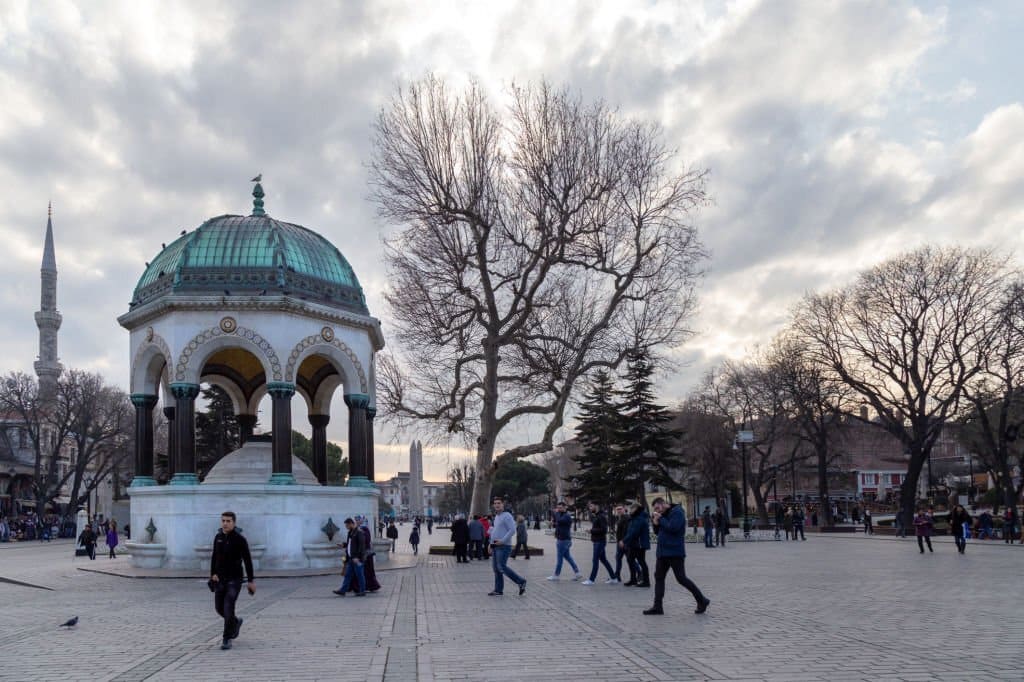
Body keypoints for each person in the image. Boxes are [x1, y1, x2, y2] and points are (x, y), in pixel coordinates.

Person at [643, 497, 709, 616]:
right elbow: (658, 532)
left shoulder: (677, 512)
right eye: (655, 509)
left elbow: (673, 528)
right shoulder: (663, 515)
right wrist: (655, 523)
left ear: (664, 504)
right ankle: (657, 607)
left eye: (658, 508)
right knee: (659, 577)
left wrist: (661, 519)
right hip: (662, 552)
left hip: (675, 552)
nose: (658, 511)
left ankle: (702, 600)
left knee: (681, 578)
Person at [210, 511, 256, 651]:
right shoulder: (218, 537)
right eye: (223, 520)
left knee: (229, 605)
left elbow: (247, 560)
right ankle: (235, 621)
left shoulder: (240, 539)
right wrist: (213, 574)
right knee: (219, 608)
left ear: (234, 523)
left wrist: (250, 580)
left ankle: (226, 638)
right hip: (220, 579)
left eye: (228, 521)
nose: (225, 523)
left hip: (234, 579)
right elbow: (214, 557)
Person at [488, 497, 527, 596]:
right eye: (495, 503)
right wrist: (490, 544)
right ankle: (498, 590)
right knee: (496, 569)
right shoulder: (496, 517)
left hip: (504, 546)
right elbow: (494, 531)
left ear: (503, 505)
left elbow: (512, 530)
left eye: (499, 503)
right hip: (495, 546)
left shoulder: (507, 516)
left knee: (501, 567)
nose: (497, 505)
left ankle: (521, 581)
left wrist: (502, 541)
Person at [582, 501, 616, 585]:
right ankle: (613, 578)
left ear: (596, 506)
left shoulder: (601, 516)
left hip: (599, 542)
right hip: (597, 541)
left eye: (591, 507)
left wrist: (591, 530)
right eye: (589, 507)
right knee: (604, 560)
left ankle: (591, 579)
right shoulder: (597, 516)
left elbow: (604, 530)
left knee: (595, 560)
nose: (590, 508)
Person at [547, 501, 581, 581]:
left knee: (559, 558)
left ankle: (556, 575)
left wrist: (555, 514)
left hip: (563, 540)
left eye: (560, 508)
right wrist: (553, 523)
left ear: (565, 507)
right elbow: (558, 524)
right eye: (558, 508)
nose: (558, 509)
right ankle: (577, 573)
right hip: (563, 539)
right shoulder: (561, 515)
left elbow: (559, 521)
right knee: (568, 557)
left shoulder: (566, 516)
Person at [334, 518, 368, 597]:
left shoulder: (359, 532)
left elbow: (362, 546)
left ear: (351, 524)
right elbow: (350, 544)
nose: (346, 527)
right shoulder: (351, 532)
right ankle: (343, 590)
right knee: (348, 575)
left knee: (360, 575)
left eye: (347, 525)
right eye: (346, 525)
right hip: (351, 558)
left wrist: (358, 557)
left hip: (357, 559)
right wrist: (343, 545)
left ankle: (362, 591)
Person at [622, 502, 651, 588]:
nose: (630, 510)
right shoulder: (635, 517)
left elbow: (634, 532)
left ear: (636, 509)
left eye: (632, 509)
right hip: (634, 544)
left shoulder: (639, 518)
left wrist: (624, 541)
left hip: (639, 544)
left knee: (641, 562)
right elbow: (630, 530)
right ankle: (633, 579)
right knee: (630, 560)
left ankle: (646, 581)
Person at [357, 517, 381, 592]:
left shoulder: (365, 530)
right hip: (363, 554)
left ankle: (371, 586)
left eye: (358, 520)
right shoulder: (360, 529)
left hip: (366, 554)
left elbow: (366, 541)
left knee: (368, 571)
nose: (357, 521)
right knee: (365, 571)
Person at [612, 505, 632, 581]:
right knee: (618, 558)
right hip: (620, 542)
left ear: (624, 509)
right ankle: (617, 575)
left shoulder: (626, 518)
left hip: (623, 542)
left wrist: (623, 541)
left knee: (630, 559)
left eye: (620, 509)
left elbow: (626, 531)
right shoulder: (620, 518)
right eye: (617, 509)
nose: (619, 510)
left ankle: (639, 572)